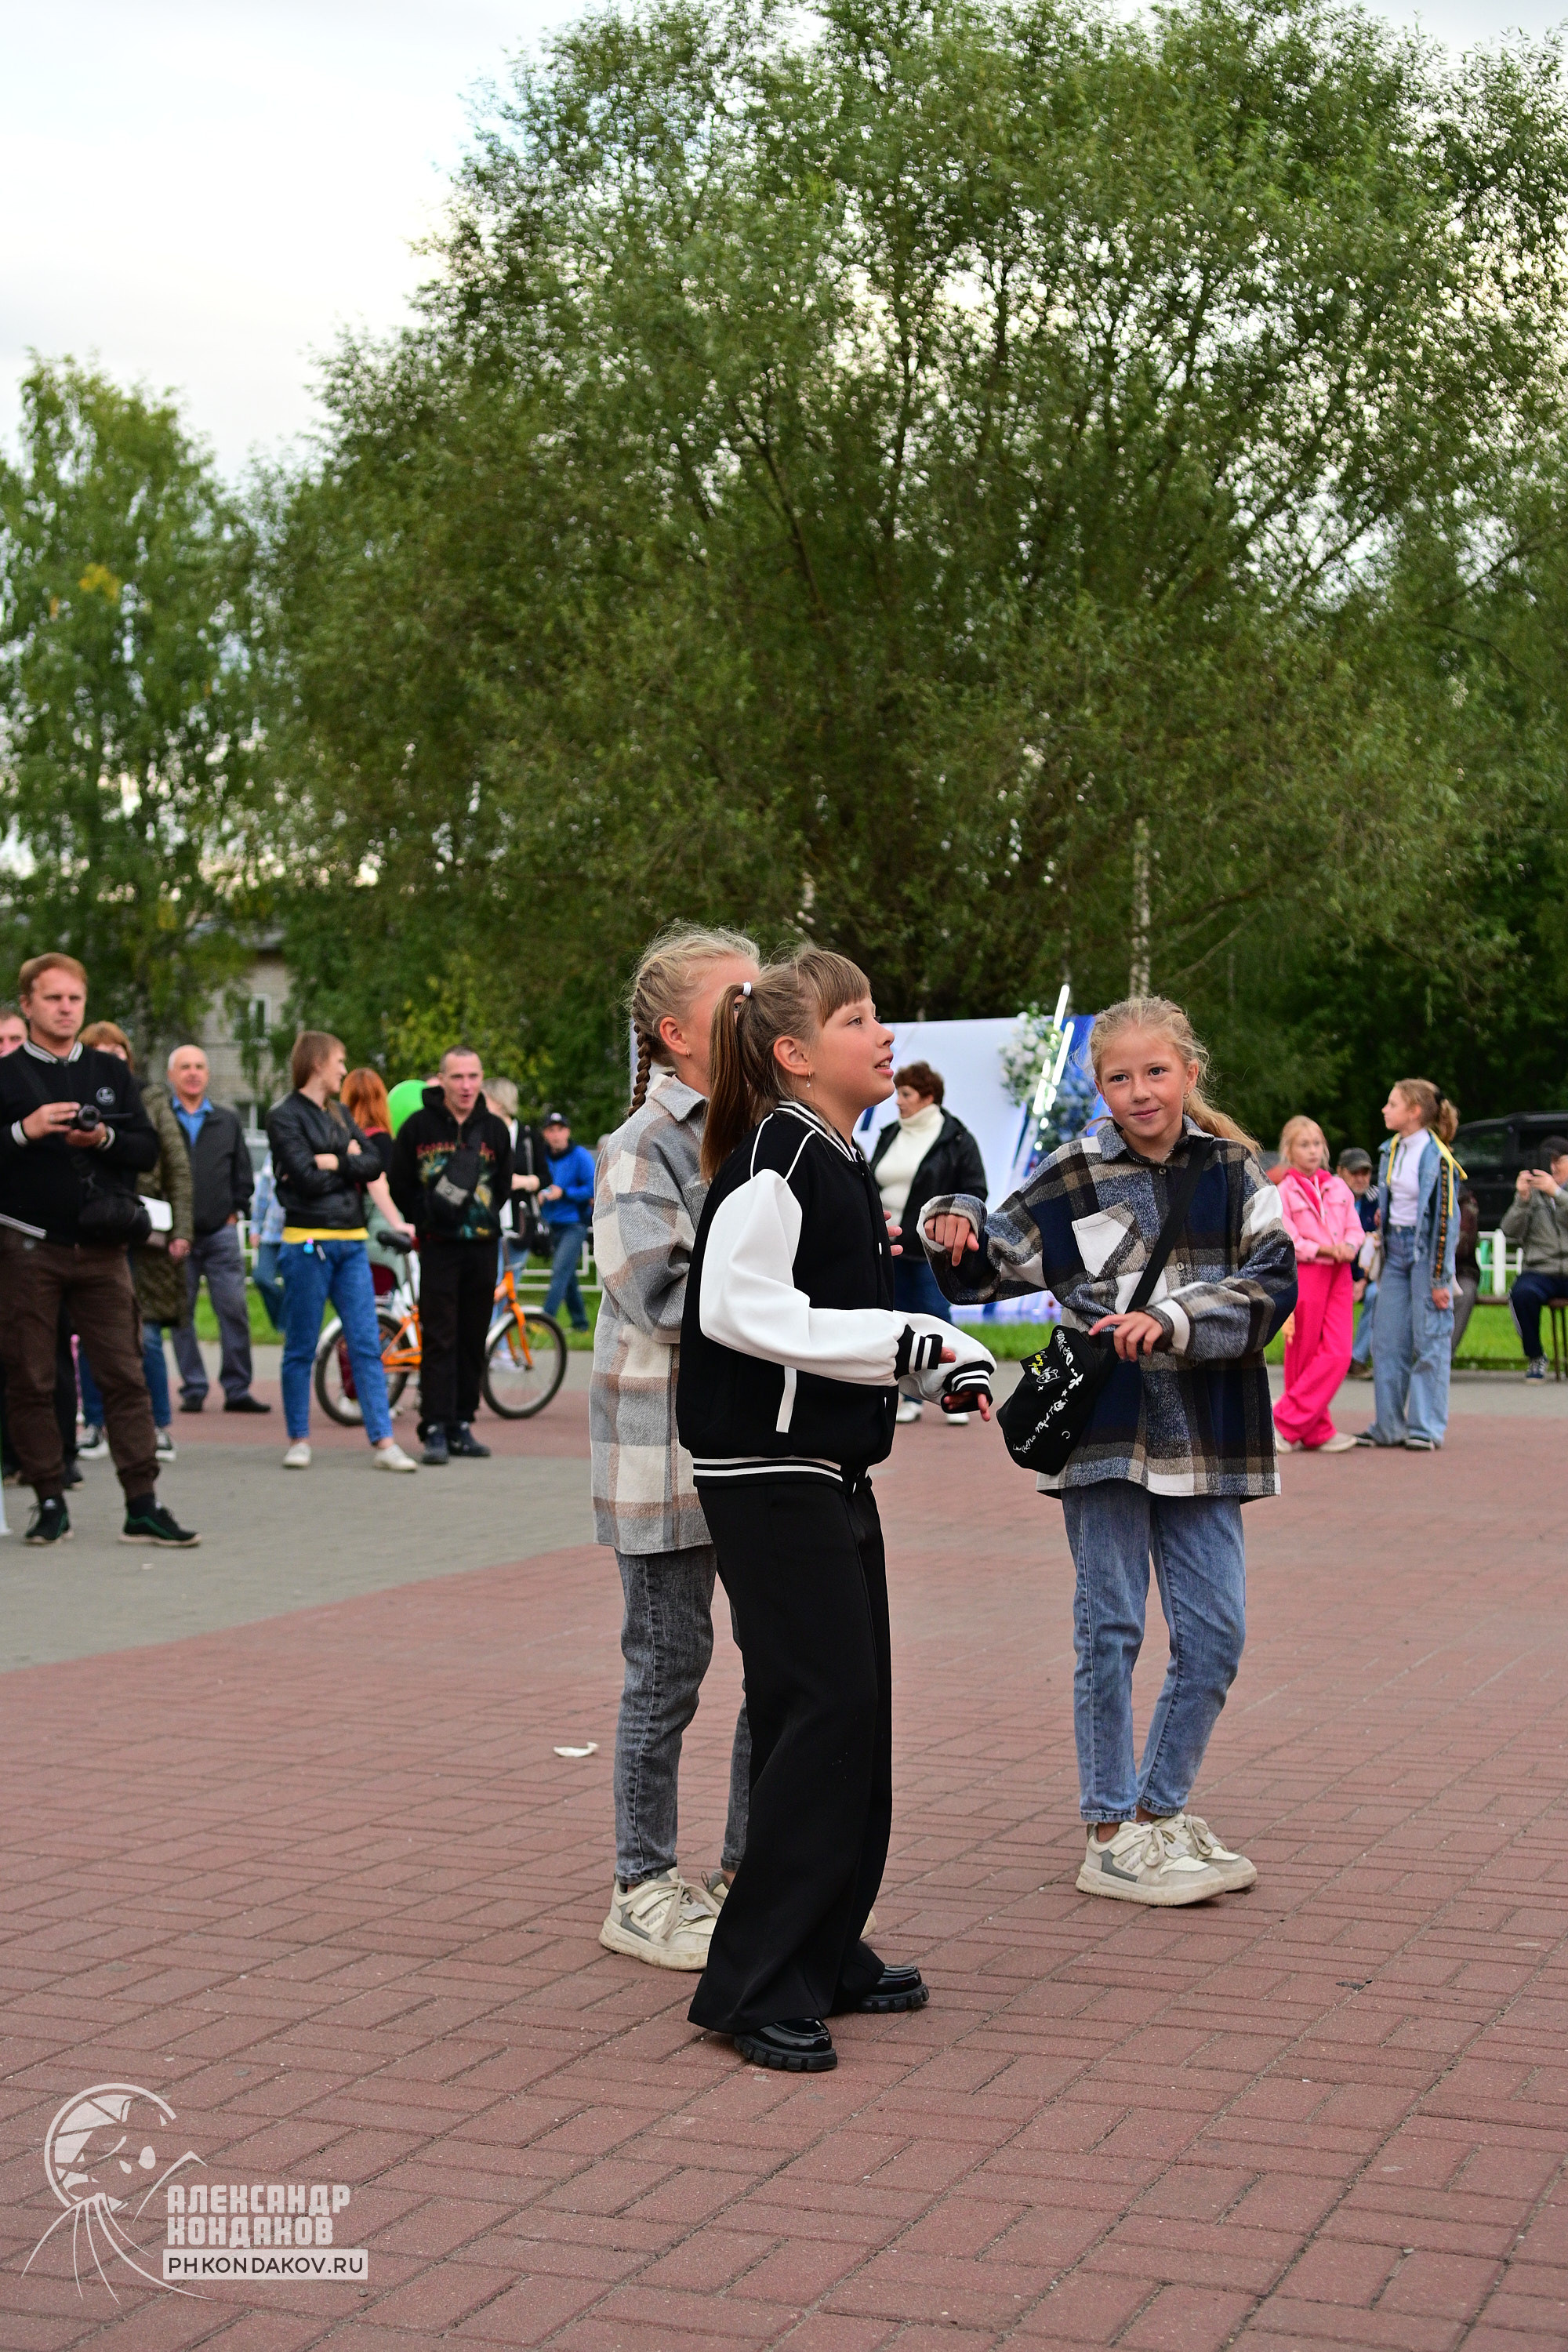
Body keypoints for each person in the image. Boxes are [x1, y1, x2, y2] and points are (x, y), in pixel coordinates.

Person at [677, 952, 996, 2072]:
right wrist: (909, 1345)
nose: (883, 1031)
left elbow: (838, 1326)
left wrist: (930, 1364)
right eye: (856, 1018)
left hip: (822, 1466)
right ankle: (757, 1979)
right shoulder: (777, 1152)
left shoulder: (837, 1158)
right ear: (794, 1054)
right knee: (824, 1707)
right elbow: (736, 1309)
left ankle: (822, 1944)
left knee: (849, 1711)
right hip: (767, 1470)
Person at [924, 994, 1296, 1907]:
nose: (1139, 1091)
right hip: (1103, 1427)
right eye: (1119, 1076)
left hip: (1208, 1430)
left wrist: (1170, 1317)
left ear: (1189, 1073)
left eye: (1155, 1072)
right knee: (1111, 1627)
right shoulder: (1068, 1172)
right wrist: (954, 1215)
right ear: (1097, 1085)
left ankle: (1157, 1814)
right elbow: (986, 1265)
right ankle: (1106, 1830)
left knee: (1213, 1634)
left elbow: (1274, 1281)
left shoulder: (1235, 1170)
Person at [593, 924, 760, 1973]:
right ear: (674, 1033)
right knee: (670, 1668)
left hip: (758, 1445)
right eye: (736, 1000)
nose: (760, 1011)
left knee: (782, 1661)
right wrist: (776, 1288)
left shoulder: (768, 1133)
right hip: (664, 1450)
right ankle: (641, 1884)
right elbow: (656, 1291)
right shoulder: (642, 1144)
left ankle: (751, 1869)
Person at [0, 953, 199, 1547]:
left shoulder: (106, 1073)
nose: (66, 1009)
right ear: (28, 1005)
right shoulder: (7, 1077)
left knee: (124, 1375)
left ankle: (143, 1502)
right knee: (32, 1378)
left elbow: (144, 1149)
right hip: (27, 1246)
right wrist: (24, 1130)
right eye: (54, 998)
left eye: (75, 999)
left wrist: (103, 1135)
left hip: (103, 1248)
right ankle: (49, 1498)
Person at [266, 1031, 419, 1473]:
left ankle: (385, 1442)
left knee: (367, 1343)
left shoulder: (337, 1112)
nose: (342, 1069)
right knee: (301, 1345)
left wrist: (328, 1160)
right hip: (306, 1244)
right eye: (338, 1060)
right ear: (317, 1063)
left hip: (351, 1243)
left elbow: (373, 1162)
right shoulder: (283, 1116)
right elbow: (303, 1177)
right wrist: (342, 1157)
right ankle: (298, 1438)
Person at [390, 1047, 513, 1465]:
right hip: (439, 1248)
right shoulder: (417, 1128)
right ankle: (435, 1427)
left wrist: (481, 1217)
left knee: (473, 1337)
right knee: (440, 1337)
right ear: (441, 1080)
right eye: (457, 1077)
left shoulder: (494, 1129)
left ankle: (462, 1422)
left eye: (473, 1076)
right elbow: (399, 1181)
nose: (466, 1085)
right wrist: (425, 1217)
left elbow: (503, 1184)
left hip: (482, 1247)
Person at [76, 1022, 191, 1466]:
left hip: (143, 1228)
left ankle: (158, 1427)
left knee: (145, 1334)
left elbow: (177, 1166)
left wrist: (181, 1230)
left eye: (117, 1050)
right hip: (90, 1227)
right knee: (89, 1334)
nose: (111, 1058)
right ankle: (95, 1424)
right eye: (100, 1051)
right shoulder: (74, 1097)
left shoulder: (151, 1099)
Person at [869, 1061, 987, 1425]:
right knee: (896, 1322)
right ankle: (910, 1398)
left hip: (929, 1250)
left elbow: (975, 1191)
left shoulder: (957, 1138)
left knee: (936, 1318)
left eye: (905, 1094)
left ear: (928, 1097)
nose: (898, 1101)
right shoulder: (890, 1133)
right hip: (886, 1246)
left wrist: (950, 1225)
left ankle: (955, 1389)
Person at [1356, 1080, 1461, 1451]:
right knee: (1387, 1341)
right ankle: (1388, 1426)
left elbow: (1448, 1221)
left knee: (1429, 1339)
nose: (1385, 1109)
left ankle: (1425, 1428)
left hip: (1425, 1253)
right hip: (1394, 1252)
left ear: (1414, 1112)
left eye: (1392, 1103)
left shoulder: (1439, 1158)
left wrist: (1440, 1278)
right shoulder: (1390, 1149)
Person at [164, 1046, 268, 1417]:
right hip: (176, 1236)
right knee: (181, 1314)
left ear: (207, 1074)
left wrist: (235, 1211)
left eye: (200, 1067)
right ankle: (193, 1387)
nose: (193, 1073)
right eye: (185, 1067)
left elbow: (243, 1173)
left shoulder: (226, 1120)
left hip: (221, 1233)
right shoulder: (162, 1120)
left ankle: (237, 1388)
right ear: (172, 1075)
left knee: (235, 1309)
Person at [1270, 1117, 1361, 1454]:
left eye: (1317, 1144)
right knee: (1303, 1352)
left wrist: (1350, 1247)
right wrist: (1323, 1249)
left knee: (1339, 1352)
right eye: (1304, 1145)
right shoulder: (1283, 1191)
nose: (1312, 1151)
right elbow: (1288, 1237)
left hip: (1339, 1272)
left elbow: (1355, 1226)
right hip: (1306, 1271)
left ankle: (1283, 1421)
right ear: (1289, 1151)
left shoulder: (1338, 1187)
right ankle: (1316, 1428)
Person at [1501, 1137, 1568, 1378]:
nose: (1552, 1168)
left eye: (1558, 1161)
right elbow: (1508, 1232)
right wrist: (1522, 1200)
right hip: (1539, 1270)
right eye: (1547, 1162)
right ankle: (1536, 1356)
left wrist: (1558, 1194)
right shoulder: (1530, 1197)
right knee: (1522, 1294)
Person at [539, 1110, 596, 1332]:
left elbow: (592, 1188)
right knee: (568, 1275)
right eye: (551, 1130)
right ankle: (581, 1323)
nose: (555, 1135)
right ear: (545, 1134)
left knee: (560, 1271)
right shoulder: (542, 1156)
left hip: (575, 1223)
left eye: (560, 1130)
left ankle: (545, 1321)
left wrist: (564, 1193)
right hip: (550, 1223)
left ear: (567, 1132)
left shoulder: (580, 1156)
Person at [1339, 1146, 1379, 1377]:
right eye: (1355, 1173)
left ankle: (1358, 1359)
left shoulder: (1377, 1201)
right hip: (1335, 1270)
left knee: (1377, 1294)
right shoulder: (1327, 1197)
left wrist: (1363, 1279)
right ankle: (1322, 1359)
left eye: (1365, 1173)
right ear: (1341, 1172)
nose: (1361, 1178)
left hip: (1367, 1275)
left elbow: (1377, 1245)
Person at [249, 1156, 286, 1331]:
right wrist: (255, 1227)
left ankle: (288, 1327)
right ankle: (282, 1323)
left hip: (296, 1234)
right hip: (271, 1233)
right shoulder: (272, 1156)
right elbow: (262, 1195)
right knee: (262, 1277)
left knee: (295, 1284)